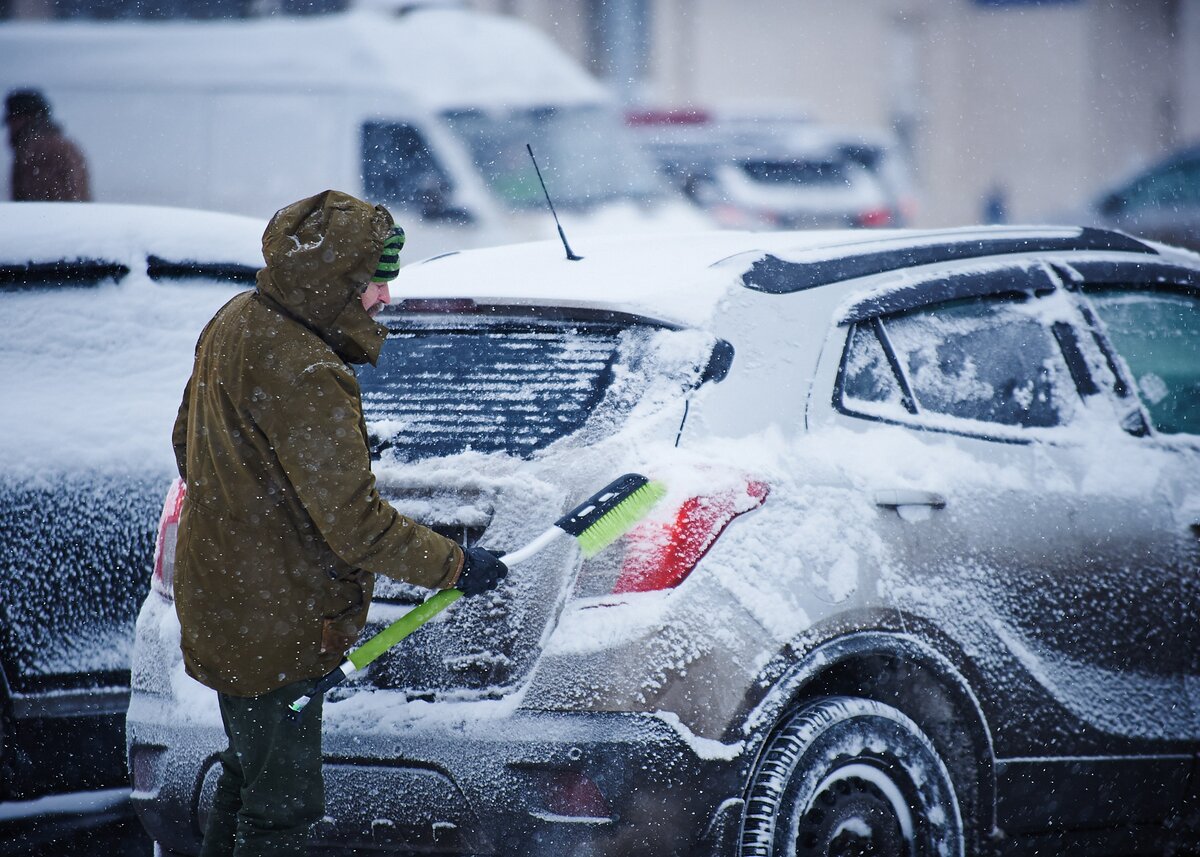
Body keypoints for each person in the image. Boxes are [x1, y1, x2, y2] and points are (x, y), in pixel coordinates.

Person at [171, 189, 508, 857]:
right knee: (284, 810)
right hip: (277, 620)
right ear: (333, 282)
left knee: (249, 776)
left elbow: (186, 440)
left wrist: (256, 505)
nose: (384, 297)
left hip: (225, 600)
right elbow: (357, 526)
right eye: (374, 281)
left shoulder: (235, 319)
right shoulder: (309, 368)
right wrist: (457, 565)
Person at [4, 89, 91, 202]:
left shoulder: (39, 150)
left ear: (25, 118)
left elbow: (44, 205)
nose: (10, 129)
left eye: (12, 120)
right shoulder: (61, 144)